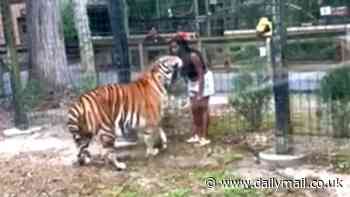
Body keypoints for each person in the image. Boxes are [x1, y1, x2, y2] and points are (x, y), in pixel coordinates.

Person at [168, 32, 215, 146]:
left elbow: (200, 74)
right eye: (172, 48)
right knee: (194, 109)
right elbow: (175, 75)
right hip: (192, 81)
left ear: (182, 46)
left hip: (203, 80)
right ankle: (196, 135)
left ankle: (203, 137)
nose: (173, 50)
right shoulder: (177, 59)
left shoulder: (193, 56)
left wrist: (200, 93)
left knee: (202, 108)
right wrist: (169, 87)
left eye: (175, 47)